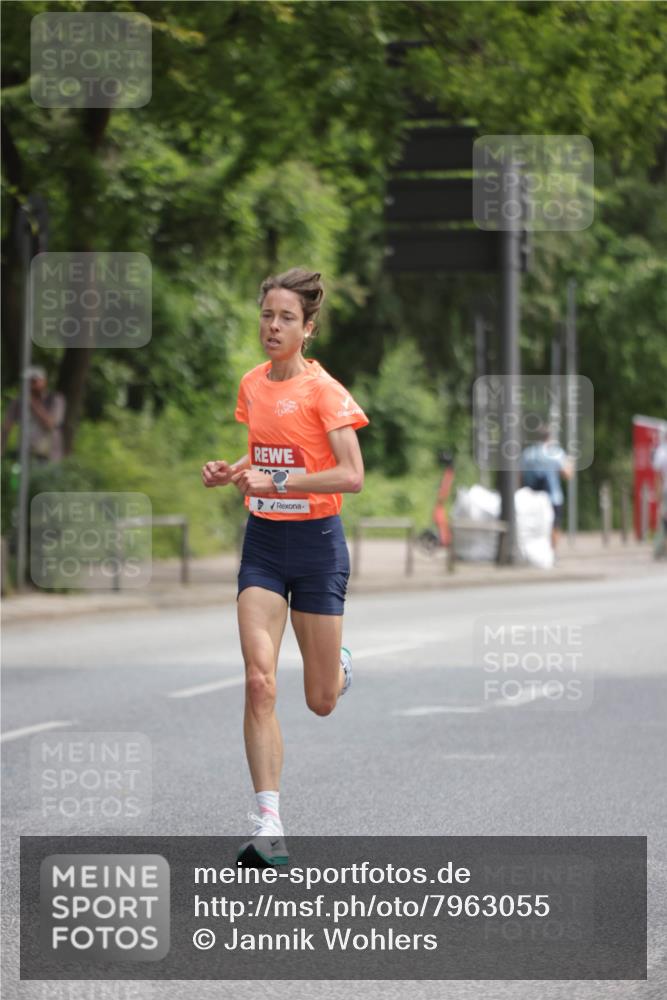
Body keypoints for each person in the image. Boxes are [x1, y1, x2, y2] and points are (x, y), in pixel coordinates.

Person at [201, 268, 368, 866]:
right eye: (268, 315)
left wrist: (281, 477)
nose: (273, 326)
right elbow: (267, 452)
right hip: (265, 545)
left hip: (319, 546)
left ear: (308, 329)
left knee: (319, 699)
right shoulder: (252, 385)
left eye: (286, 318)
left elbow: (351, 474)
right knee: (258, 680)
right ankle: (267, 822)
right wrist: (237, 471)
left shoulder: (326, 393)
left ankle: (338, 667)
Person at [520, 424, 573, 550]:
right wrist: (571, 464)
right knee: (555, 525)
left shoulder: (527, 454)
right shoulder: (556, 453)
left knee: (532, 526)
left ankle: (532, 551)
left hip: (531, 497)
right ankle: (552, 553)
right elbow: (567, 474)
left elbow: (520, 476)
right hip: (553, 497)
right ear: (549, 437)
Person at [1, 366, 66, 464]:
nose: (30, 385)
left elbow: (50, 424)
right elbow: (6, 427)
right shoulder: (18, 402)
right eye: (27, 382)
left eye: (34, 381)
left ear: (44, 381)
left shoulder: (55, 399)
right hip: (25, 454)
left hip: (48, 457)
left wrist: (32, 403)